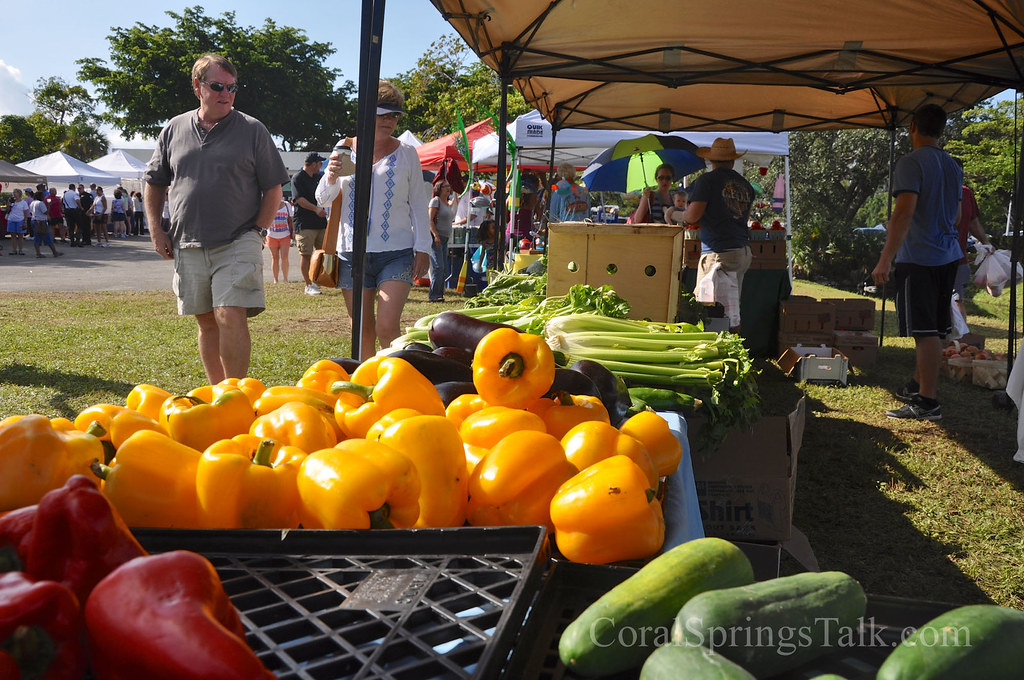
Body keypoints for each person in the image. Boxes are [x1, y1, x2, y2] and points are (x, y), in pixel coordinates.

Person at [144, 53, 289, 384]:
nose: (226, 93)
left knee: (230, 314)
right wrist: (156, 230)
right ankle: (217, 393)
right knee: (207, 321)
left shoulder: (253, 130)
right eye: (217, 86)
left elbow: (273, 188)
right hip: (187, 242)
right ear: (197, 86)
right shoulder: (173, 128)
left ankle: (236, 393)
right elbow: (153, 182)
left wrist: (257, 231)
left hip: (238, 239)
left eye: (232, 87)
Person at [315, 80, 430, 359]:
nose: (389, 120)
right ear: (366, 113)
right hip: (350, 254)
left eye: (395, 115)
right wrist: (330, 175)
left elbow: (418, 202)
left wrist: (424, 247)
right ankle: (367, 384)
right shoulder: (343, 147)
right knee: (361, 329)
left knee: (387, 327)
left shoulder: (407, 153)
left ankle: (393, 379)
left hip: (397, 253)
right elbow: (322, 198)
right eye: (383, 113)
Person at [872, 104, 964, 421]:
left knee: (924, 331)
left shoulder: (911, 163)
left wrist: (885, 259)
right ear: (941, 130)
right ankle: (918, 384)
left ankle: (927, 402)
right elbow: (957, 214)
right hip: (948, 254)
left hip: (920, 258)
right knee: (935, 329)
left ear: (912, 127)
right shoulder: (953, 165)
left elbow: (904, 212)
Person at [680, 138, 755, 332]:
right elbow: (744, 217)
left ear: (711, 161)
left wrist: (674, 213)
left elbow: (693, 216)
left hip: (719, 252)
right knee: (731, 308)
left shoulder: (707, 180)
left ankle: (716, 353)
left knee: (708, 308)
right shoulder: (745, 185)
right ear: (731, 161)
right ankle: (732, 351)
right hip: (741, 250)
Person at [952, 170, 992, 319]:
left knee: (957, 300)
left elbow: (974, 223)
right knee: (935, 299)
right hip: (934, 259)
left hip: (959, 259)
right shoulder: (935, 191)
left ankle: (959, 339)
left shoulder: (966, 193)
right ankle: (942, 339)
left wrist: (986, 243)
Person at [292, 152, 329, 295]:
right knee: (306, 254)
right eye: (319, 164)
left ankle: (317, 280)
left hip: (320, 222)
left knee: (321, 253)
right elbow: (299, 200)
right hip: (304, 223)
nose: (321, 167)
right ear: (313, 164)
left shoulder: (319, 177)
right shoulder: (297, 178)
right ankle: (308, 285)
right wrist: (316, 209)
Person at [427, 180, 457, 302]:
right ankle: (433, 295)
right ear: (439, 189)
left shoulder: (447, 203)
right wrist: (436, 235)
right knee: (438, 266)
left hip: (445, 238)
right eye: (445, 186)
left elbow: (453, 209)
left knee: (443, 267)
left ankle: (439, 293)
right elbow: (430, 220)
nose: (448, 188)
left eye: (449, 186)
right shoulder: (436, 201)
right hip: (437, 238)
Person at [266, 197, 294, 283]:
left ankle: (285, 279)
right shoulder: (268, 204)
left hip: (285, 234)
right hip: (271, 235)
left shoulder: (287, 205)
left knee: (284, 257)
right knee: (274, 258)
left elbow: (290, 220)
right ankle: (275, 279)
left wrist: (292, 232)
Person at [30, 191, 63, 259]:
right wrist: (49, 206)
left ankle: (38, 253)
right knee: (47, 236)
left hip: (34, 220)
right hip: (41, 222)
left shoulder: (32, 203)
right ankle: (54, 252)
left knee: (37, 237)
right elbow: (45, 212)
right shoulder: (40, 203)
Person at [6, 189, 29, 255]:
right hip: (11, 219)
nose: (14, 194)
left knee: (20, 235)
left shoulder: (23, 203)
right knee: (13, 235)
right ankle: (14, 250)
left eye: (15, 192)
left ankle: (21, 249)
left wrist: (25, 221)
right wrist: (8, 204)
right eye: (13, 192)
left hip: (20, 220)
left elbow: (25, 213)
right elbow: (7, 210)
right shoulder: (12, 202)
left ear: (19, 193)